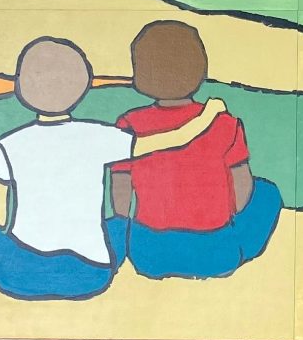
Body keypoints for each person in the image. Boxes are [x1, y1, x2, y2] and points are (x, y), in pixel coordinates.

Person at [0, 38, 133, 300]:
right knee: (116, 224)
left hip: (23, 272)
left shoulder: (8, 144)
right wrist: (204, 119)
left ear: (23, 87)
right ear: (82, 86)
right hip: (91, 273)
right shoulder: (102, 136)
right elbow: (151, 145)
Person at [108, 20, 281, 279]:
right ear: (200, 70)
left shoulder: (129, 124)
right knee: (267, 192)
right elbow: (242, 189)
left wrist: (124, 230)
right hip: (216, 254)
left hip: (149, 255)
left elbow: (120, 192)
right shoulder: (225, 124)